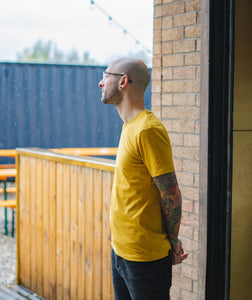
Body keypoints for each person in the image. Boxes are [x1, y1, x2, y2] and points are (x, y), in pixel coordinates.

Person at [98, 58, 188, 300]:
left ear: (123, 82)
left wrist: (174, 241)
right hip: (121, 252)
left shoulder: (148, 130)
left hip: (145, 259)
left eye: (106, 76)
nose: (100, 82)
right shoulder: (130, 126)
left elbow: (170, 193)